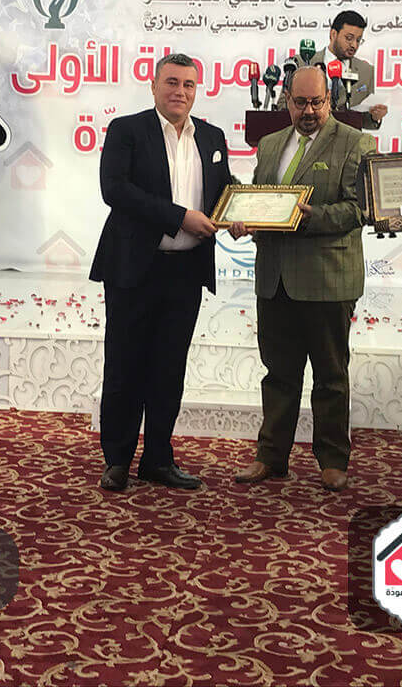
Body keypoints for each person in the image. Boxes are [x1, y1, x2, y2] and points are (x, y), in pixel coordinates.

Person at [90, 53, 232, 492]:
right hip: (134, 269)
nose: (180, 91)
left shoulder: (212, 136)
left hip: (186, 271)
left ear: (197, 90)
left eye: (188, 84)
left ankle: (158, 459)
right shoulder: (126, 130)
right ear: (153, 86)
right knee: (125, 366)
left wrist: (241, 215)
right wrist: (179, 217)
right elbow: (115, 190)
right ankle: (117, 460)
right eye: (171, 82)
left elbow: (225, 191)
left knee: (169, 370)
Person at [230, 65, 375, 491]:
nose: (309, 111)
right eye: (300, 103)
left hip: (327, 280)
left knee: (331, 376)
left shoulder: (355, 142)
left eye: (317, 102)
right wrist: (243, 221)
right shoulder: (270, 145)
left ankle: (332, 460)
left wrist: (312, 217)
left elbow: (360, 209)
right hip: (274, 279)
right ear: (287, 101)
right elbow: (260, 201)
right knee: (278, 374)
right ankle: (270, 457)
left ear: (330, 101)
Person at [278, 10, 388, 129]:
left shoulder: (366, 71)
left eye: (358, 40)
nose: (354, 45)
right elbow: (282, 105)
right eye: (349, 38)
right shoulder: (302, 62)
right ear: (333, 34)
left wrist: (374, 117)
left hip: (347, 138)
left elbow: (362, 121)